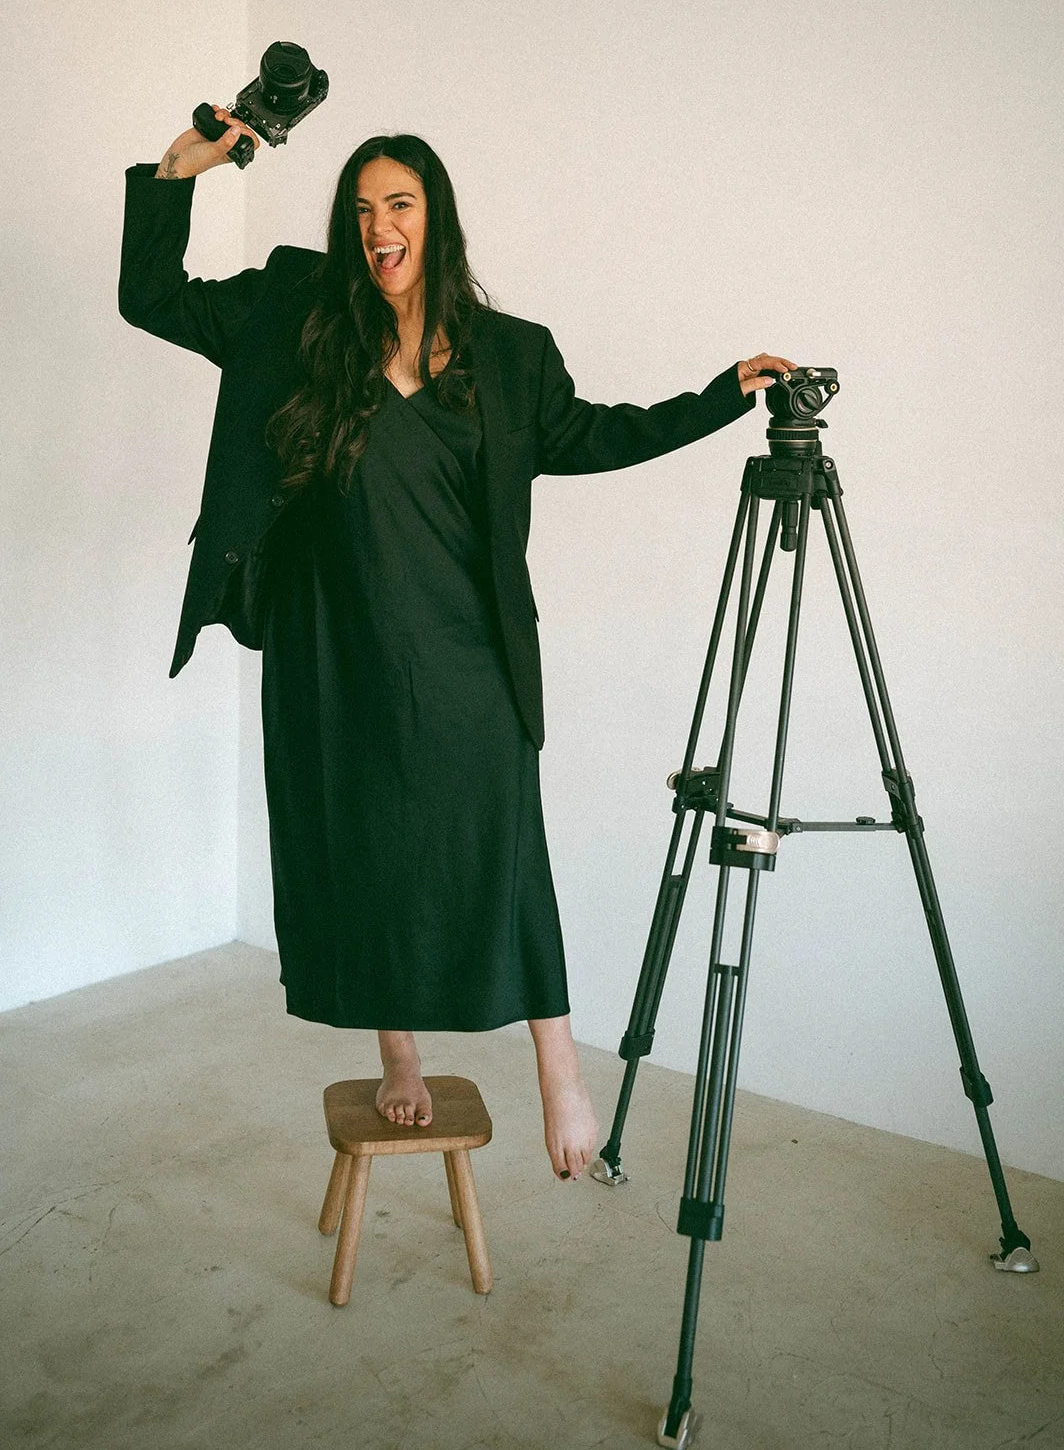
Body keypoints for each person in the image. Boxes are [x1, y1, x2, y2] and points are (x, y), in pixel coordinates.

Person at [119, 110, 793, 1183]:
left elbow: (597, 433)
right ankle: (397, 1045)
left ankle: (559, 1067)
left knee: (503, 845)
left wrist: (719, 401)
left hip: (464, 645)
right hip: (331, 643)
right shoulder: (294, 314)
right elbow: (148, 297)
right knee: (364, 842)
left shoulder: (510, 356)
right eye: (361, 209)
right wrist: (176, 172)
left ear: (436, 219)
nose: (378, 226)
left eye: (399, 204)